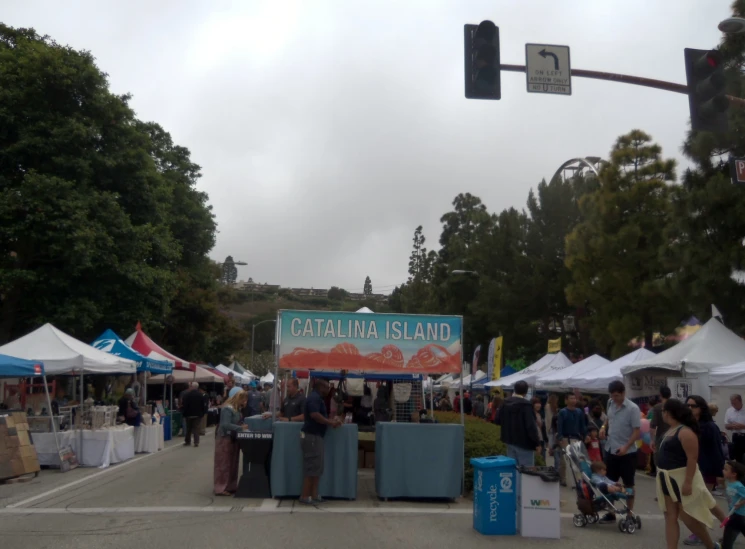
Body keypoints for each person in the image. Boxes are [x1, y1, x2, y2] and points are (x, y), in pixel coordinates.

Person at [656, 398, 722, 549]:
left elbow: (692, 458)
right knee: (670, 516)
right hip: (666, 478)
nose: (662, 414)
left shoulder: (685, 431)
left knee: (688, 516)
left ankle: (710, 546)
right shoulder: (671, 429)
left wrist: (687, 481)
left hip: (679, 478)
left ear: (668, 412)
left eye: (663, 411)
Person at [684, 395, 727, 546]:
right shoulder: (689, 425)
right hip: (694, 468)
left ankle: (698, 532)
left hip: (707, 469)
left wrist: (720, 472)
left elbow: (717, 450)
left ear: (701, 408)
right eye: (687, 405)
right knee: (707, 503)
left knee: (700, 502)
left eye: (693, 406)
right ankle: (730, 526)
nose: (690, 408)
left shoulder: (709, 426)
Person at [599, 380, 640, 523]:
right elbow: (608, 420)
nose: (614, 398)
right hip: (610, 448)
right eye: (612, 395)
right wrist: (603, 428)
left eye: (617, 395)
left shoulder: (633, 408)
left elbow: (636, 431)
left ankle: (629, 514)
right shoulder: (610, 403)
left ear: (623, 393)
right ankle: (611, 512)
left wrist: (626, 446)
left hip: (627, 453)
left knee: (629, 484)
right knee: (610, 482)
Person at [300, 378, 342, 505]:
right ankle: (305, 496)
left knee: (317, 467)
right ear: (320, 387)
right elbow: (314, 415)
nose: (328, 389)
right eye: (327, 387)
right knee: (312, 466)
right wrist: (330, 422)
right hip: (311, 436)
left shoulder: (318, 398)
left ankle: (314, 495)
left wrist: (332, 420)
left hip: (316, 436)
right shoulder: (314, 398)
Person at [214, 390, 248, 496]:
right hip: (225, 437)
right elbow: (225, 424)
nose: (245, 402)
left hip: (233, 437)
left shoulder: (237, 409)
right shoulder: (227, 409)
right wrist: (240, 428)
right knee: (223, 464)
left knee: (233, 463)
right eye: (244, 399)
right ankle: (220, 487)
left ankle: (231, 486)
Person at [499, 380, 540, 466]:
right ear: (526, 391)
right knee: (526, 473)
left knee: (513, 471)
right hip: (525, 443)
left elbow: (498, 419)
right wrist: (537, 443)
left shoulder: (505, 403)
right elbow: (531, 426)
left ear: (514, 389)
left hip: (509, 441)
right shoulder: (526, 405)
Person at [557, 393, 587, 486]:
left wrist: (585, 435)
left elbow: (582, 425)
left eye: (574, 398)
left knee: (577, 460)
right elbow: (560, 426)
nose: (573, 400)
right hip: (565, 438)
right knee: (564, 460)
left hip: (576, 438)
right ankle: (563, 479)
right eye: (571, 398)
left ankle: (578, 480)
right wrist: (560, 437)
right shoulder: (563, 412)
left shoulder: (579, 412)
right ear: (566, 400)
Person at [722, 460, 745, 549]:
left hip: (741, 516)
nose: (723, 470)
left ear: (734, 474)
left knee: (729, 535)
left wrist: (740, 503)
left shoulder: (738, 486)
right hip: (733, 514)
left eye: (726, 469)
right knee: (727, 540)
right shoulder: (727, 482)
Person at [652, 386, 673, 476]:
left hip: (661, 438)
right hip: (673, 436)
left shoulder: (657, 407)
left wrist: (652, 440)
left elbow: (653, 426)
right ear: (670, 394)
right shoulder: (675, 406)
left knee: (659, 462)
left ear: (660, 395)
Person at [181, 382, 205, 447]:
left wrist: (184, 413)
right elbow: (203, 405)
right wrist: (202, 413)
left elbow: (184, 405)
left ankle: (187, 441)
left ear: (192, 387)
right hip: (197, 414)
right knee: (196, 428)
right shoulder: (201, 395)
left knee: (188, 428)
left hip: (188, 414)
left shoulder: (186, 395)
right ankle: (196, 442)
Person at [725, 395, 745, 463]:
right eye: (732, 403)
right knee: (737, 457)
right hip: (736, 436)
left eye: (735, 403)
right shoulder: (729, 411)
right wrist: (732, 426)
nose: (733, 405)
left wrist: (742, 426)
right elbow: (726, 425)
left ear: (740, 401)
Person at [532, 397, 548, 462]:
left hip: (541, 439)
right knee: (537, 459)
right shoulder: (530, 415)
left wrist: (546, 439)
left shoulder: (540, 414)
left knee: (542, 459)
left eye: (539, 403)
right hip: (535, 439)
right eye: (536, 403)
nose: (539, 405)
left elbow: (543, 428)